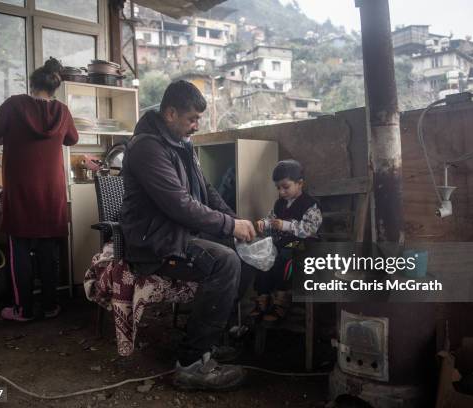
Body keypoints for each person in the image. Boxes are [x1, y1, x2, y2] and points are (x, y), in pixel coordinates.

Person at [121, 80, 256, 390]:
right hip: (154, 243)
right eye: (191, 119)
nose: (196, 126)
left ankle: (209, 340)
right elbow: (178, 204)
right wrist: (227, 226)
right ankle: (192, 364)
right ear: (170, 113)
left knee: (243, 252)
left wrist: (236, 223)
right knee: (225, 262)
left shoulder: (181, 143)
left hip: (178, 233)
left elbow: (205, 191)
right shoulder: (146, 148)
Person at [0, 57, 78, 322]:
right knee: (48, 250)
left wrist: (7, 135)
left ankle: (23, 310)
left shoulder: (14, 105)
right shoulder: (63, 111)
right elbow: (72, 138)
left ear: (31, 84)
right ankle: (49, 306)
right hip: (51, 193)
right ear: (54, 87)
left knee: (20, 249)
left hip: (21, 191)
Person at [250, 160, 323, 323]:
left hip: (305, 246)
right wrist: (265, 223)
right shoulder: (279, 204)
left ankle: (282, 299)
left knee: (285, 256)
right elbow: (272, 219)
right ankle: (264, 297)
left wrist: (287, 225)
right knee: (264, 258)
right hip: (284, 244)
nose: (281, 192)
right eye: (278, 188)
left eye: (286, 187)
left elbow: (311, 228)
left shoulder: (310, 204)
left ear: (300, 183)